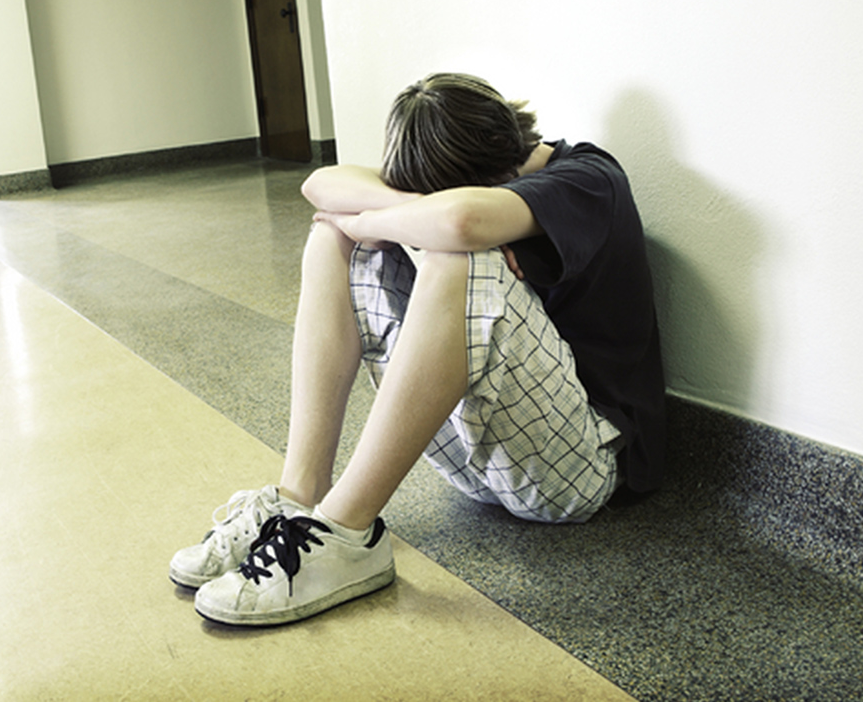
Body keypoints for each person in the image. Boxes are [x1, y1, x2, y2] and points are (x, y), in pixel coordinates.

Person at [170, 73, 665, 627]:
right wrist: (381, 217)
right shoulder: (471, 175)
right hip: (482, 466)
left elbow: (459, 219)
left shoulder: (589, 178)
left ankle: (346, 535)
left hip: (579, 470)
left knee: (458, 254)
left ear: (493, 170)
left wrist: (378, 217)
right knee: (333, 236)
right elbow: (321, 184)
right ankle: (299, 495)